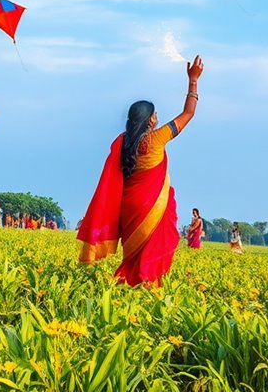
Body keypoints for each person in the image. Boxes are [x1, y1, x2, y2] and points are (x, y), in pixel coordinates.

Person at [77, 55, 203, 286]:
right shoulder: (157, 138)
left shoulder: (122, 142)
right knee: (152, 251)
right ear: (149, 120)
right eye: (154, 114)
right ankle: (146, 285)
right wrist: (193, 80)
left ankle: (131, 284)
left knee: (134, 254)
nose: (157, 117)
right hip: (151, 205)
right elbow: (188, 114)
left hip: (130, 205)